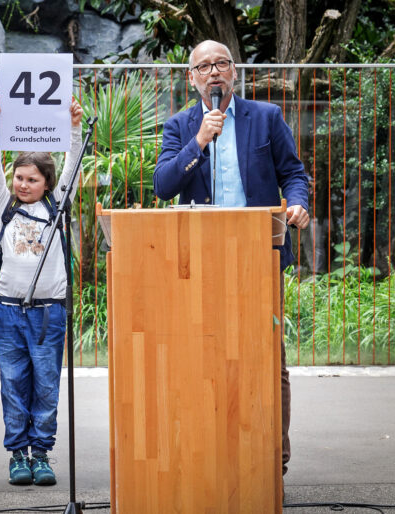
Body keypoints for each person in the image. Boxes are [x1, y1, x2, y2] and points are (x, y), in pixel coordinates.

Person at [153, 40, 310, 477]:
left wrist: (298, 203)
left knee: (266, 357)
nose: (214, 72)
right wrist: (199, 141)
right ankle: (211, 455)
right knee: (203, 356)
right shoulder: (180, 126)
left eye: (221, 63)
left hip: (259, 255)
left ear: (234, 72)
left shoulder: (266, 117)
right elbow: (163, 185)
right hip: (199, 260)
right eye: (204, 66)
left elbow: (293, 173)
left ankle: (271, 463)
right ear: (192, 78)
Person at [0, 96, 83, 486]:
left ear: (47, 183)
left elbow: (73, 166)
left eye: (32, 179)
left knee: (45, 384)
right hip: (9, 311)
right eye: (20, 178)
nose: (23, 184)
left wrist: (74, 126)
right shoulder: (4, 206)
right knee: (13, 383)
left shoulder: (57, 206)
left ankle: (41, 453)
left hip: (48, 314)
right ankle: (17, 455)